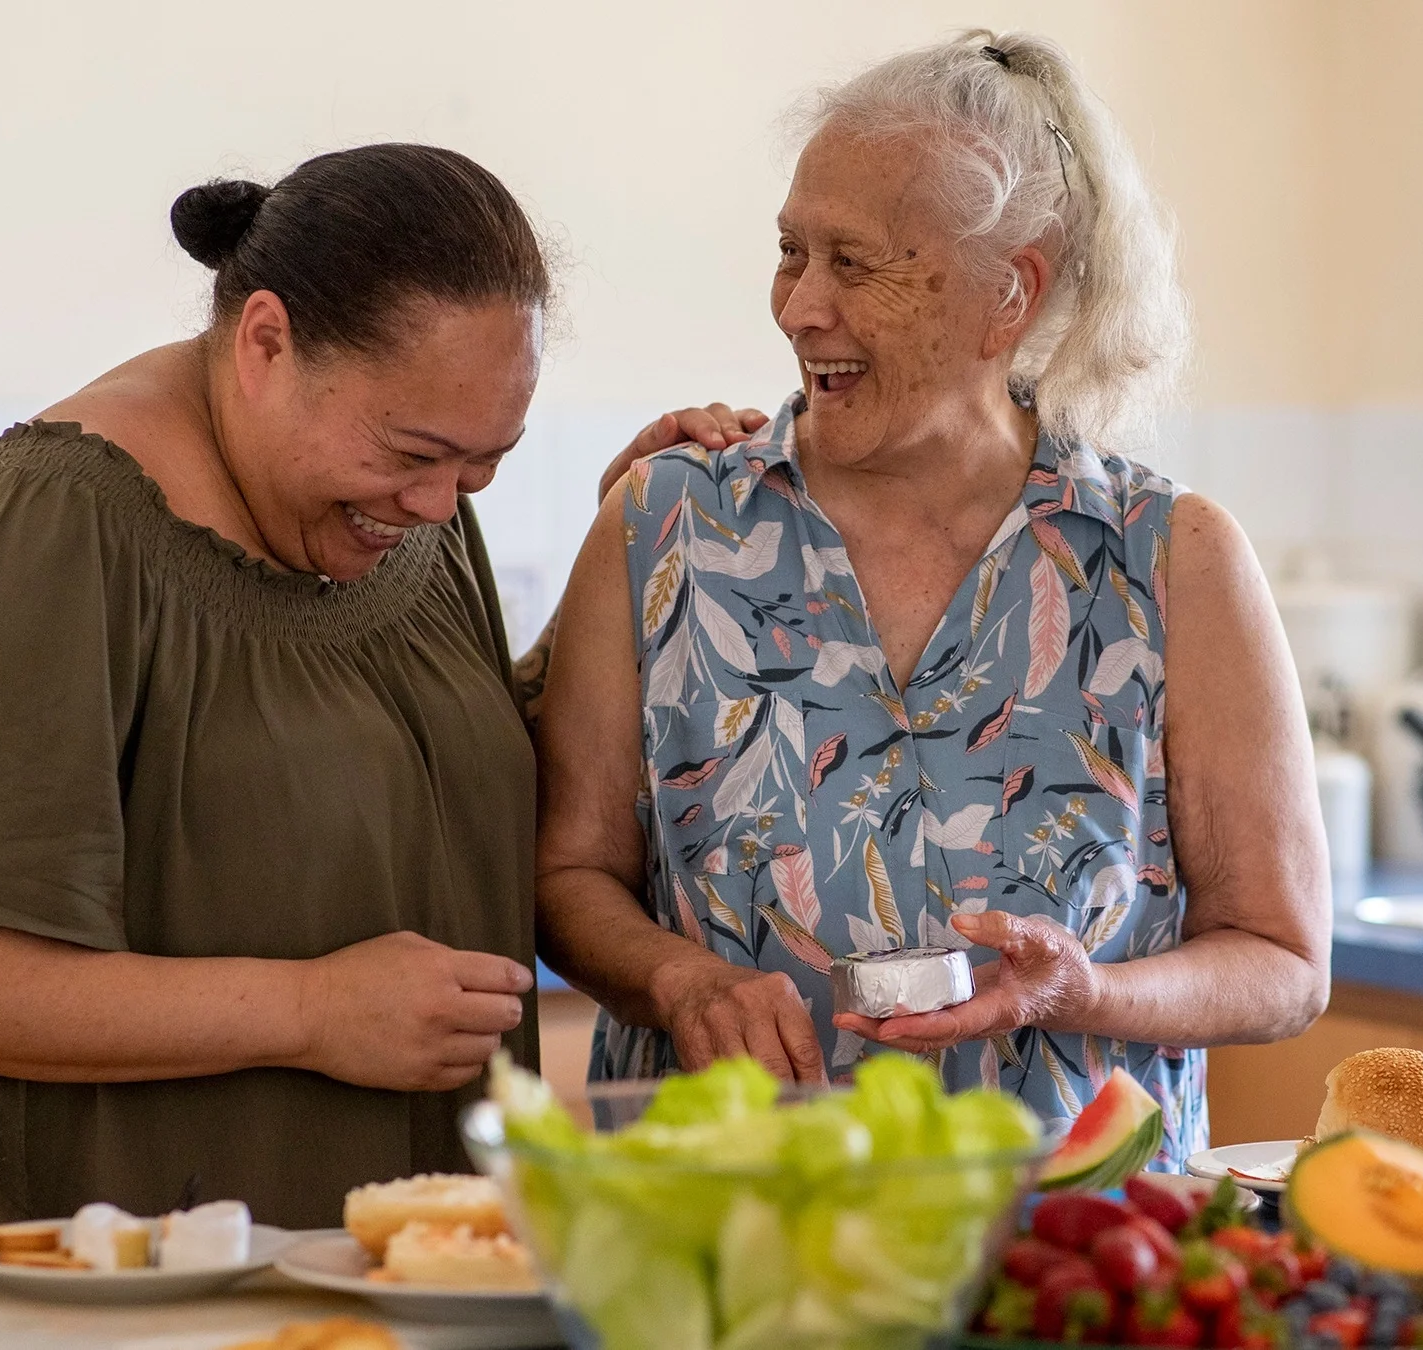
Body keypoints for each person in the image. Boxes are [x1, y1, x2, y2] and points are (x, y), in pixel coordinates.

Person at [0, 142, 759, 1248]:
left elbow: (443, 785)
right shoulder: (54, 527)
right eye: (418, 451)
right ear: (265, 342)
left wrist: (626, 542)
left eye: (484, 465)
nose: (444, 502)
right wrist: (309, 1011)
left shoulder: (397, 517)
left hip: (365, 1296)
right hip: (117, 1311)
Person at [535, 32, 1332, 1167]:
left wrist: (1082, 991)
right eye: (790, 253)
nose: (800, 307)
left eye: (855, 265)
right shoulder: (666, 524)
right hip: (729, 1241)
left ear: (1009, 294)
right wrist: (679, 977)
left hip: (1075, 1254)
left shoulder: (1173, 560)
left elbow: (1284, 965)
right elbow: (565, 877)